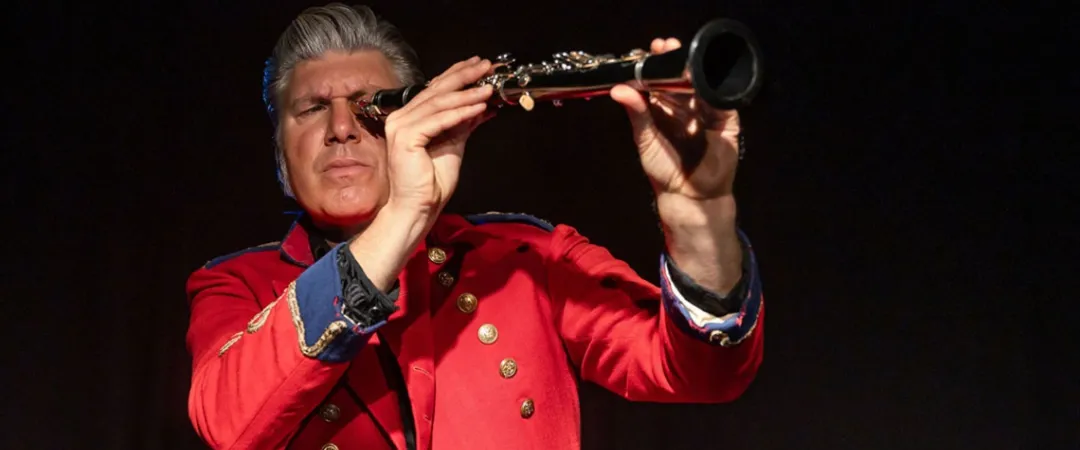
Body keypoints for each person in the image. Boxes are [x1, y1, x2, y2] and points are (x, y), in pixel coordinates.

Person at [184, 3, 765, 449]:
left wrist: (698, 210)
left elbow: (703, 374)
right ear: (279, 152)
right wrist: (405, 213)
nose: (342, 128)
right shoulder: (236, 285)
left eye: (371, 107)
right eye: (312, 109)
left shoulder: (525, 257)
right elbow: (229, 425)